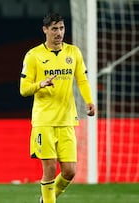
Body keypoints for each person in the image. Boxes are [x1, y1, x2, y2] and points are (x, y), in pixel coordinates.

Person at [19, 12, 95, 203]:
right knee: (50, 169)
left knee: (70, 171)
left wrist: (89, 101)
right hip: (44, 120)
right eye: (54, 28)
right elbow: (23, 89)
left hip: (67, 119)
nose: (58, 33)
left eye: (61, 28)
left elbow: (82, 80)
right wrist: (40, 85)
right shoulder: (34, 55)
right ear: (45, 30)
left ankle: (46, 199)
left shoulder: (73, 52)